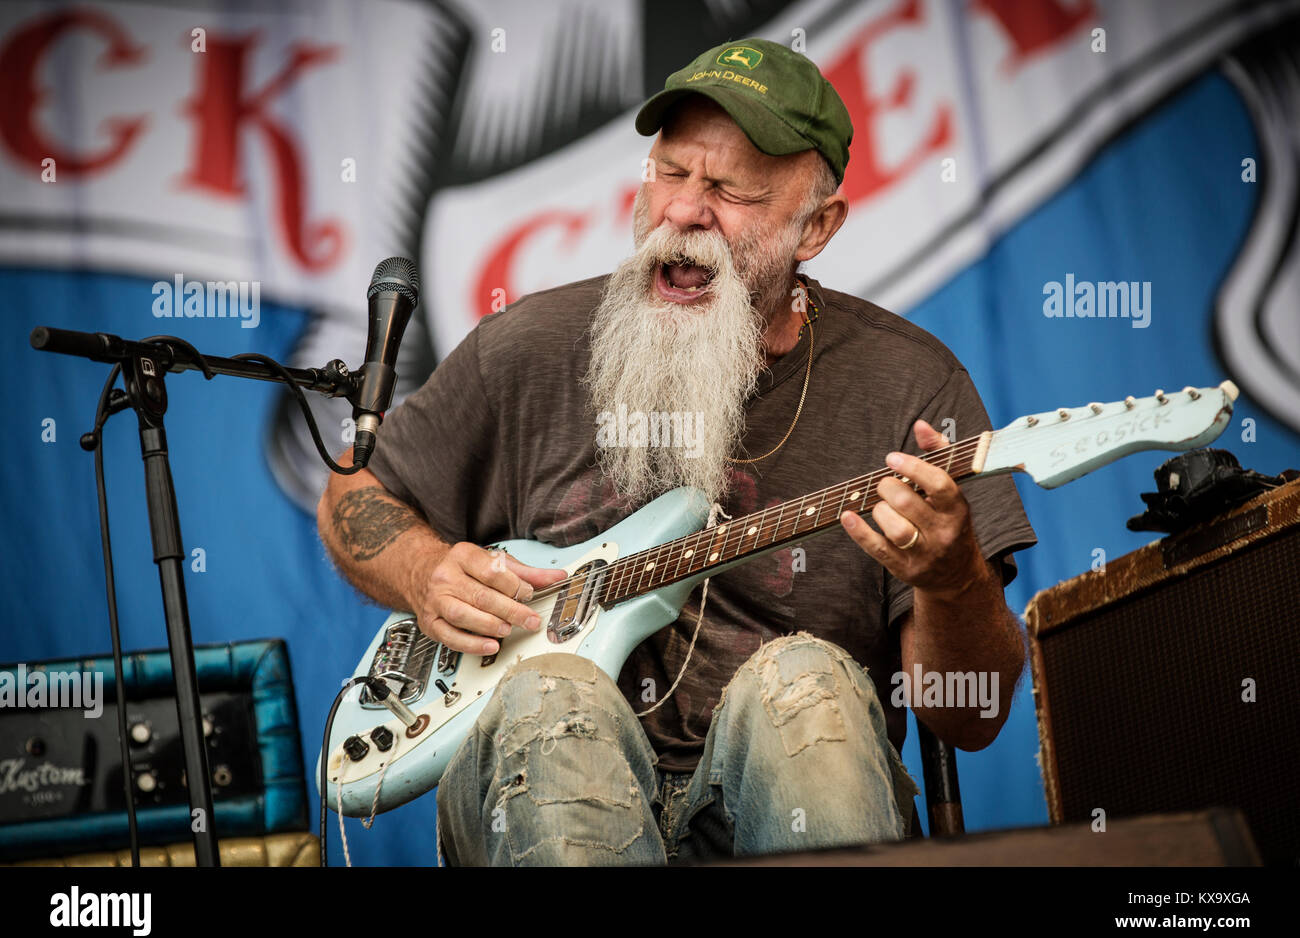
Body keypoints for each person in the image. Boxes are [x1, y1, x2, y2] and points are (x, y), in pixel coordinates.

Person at [317, 37, 1037, 865]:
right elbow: (350, 497)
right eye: (670, 173)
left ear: (817, 227)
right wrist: (422, 571)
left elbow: (969, 718)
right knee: (552, 699)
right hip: (545, 793)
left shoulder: (910, 385)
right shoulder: (529, 347)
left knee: (804, 679)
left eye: (733, 190)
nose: (685, 212)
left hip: (780, 805)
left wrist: (951, 582)